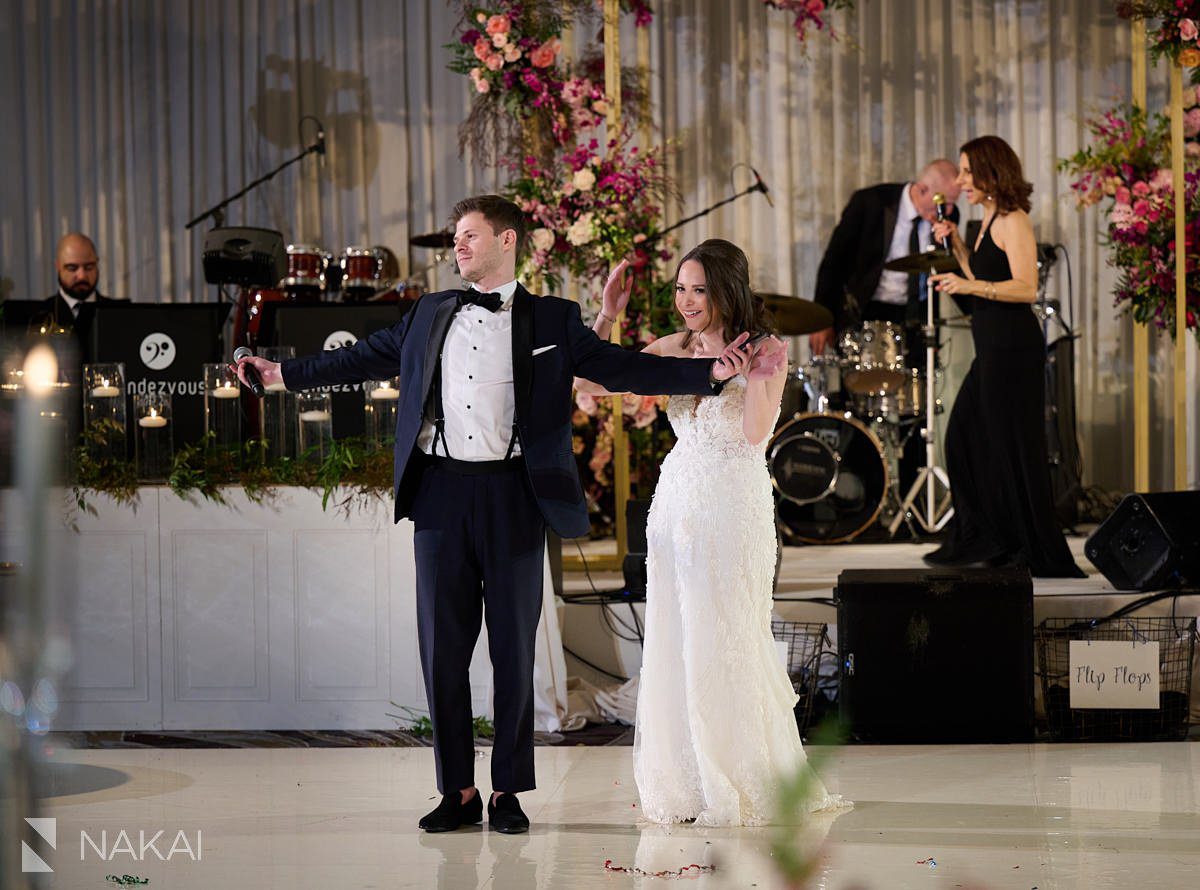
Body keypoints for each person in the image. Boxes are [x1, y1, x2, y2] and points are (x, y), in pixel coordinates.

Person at [233, 197, 786, 835]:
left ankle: (508, 793)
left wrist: (715, 373)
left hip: (516, 496)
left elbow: (624, 367)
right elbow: (358, 359)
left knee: (512, 651)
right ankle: (456, 790)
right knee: (442, 650)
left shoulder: (552, 318)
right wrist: (280, 374)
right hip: (440, 493)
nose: (458, 247)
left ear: (506, 240)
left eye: (469, 236)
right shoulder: (428, 311)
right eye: (455, 238)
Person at [577, 239, 847, 826]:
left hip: (732, 503)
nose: (686, 300)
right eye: (680, 288)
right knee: (676, 638)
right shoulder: (675, 348)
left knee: (726, 635)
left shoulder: (767, 350)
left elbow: (754, 434)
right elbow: (586, 385)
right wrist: (608, 316)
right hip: (676, 503)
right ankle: (689, 783)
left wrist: (750, 377)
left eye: (698, 289)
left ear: (727, 291)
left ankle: (742, 777)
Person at [925, 137, 1083, 578]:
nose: (959, 182)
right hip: (992, 346)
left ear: (991, 173)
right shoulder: (985, 219)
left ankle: (1026, 546)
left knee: (1011, 447)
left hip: (1014, 347)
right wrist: (957, 245)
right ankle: (994, 536)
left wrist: (969, 286)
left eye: (966, 172)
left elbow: (1025, 287)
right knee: (967, 439)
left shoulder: (1014, 220)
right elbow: (982, 273)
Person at [809, 159, 962, 357]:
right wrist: (822, 320)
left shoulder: (947, 216)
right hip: (867, 310)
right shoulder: (870, 202)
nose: (948, 211)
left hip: (916, 315)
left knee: (919, 382)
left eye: (952, 204)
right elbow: (834, 262)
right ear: (922, 189)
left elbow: (949, 265)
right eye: (944, 202)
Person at [40, 233, 126, 329]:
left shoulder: (120, 313)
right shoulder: (38, 316)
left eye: (89, 267)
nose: (81, 276)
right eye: (72, 268)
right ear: (58, 266)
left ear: (97, 264)